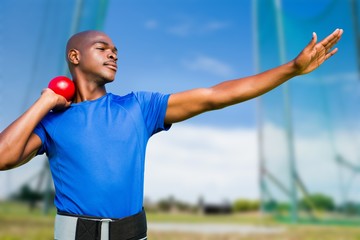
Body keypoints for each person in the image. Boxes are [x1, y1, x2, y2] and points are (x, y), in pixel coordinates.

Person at [0, 28, 343, 240]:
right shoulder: (53, 119)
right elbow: (4, 158)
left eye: (116, 49)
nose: (113, 53)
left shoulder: (138, 107)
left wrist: (291, 70)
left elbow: (215, 95)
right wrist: (44, 102)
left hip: (133, 236)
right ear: (75, 56)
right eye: (102, 47)